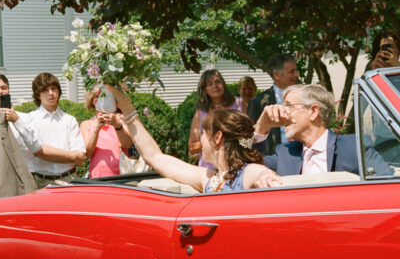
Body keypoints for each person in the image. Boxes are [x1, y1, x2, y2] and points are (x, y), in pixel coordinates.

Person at [107, 85, 280, 193]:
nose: (201, 138)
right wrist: (126, 107)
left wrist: (264, 177)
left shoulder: (247, 172)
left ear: (217, 137)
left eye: (204, 132)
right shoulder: (208, 178)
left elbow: (260, 173)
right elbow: (155, 157)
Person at [253, 83, 391, 177]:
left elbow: (388, 184)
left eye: (289, 106)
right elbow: (239, 162)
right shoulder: (285, 153)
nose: (283, 113)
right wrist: (261, 127)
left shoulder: (354, 147)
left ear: (313, 111)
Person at [16, 72, 87, 187]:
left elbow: (80, 157)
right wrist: (71, 156)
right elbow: (38, 152)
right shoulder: (30, 120)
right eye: (45, 90)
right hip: (42, 181)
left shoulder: (69, 120)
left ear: (59, 91)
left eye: (54, 89)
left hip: (70, 179)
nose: (51, 93)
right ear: (38, 94)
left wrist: (46, 152)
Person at [187, 69, 242, 167]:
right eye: (210, 84)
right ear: (205, 90)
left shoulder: (238, 105)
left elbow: (248, 138)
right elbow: (192, 147)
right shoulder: (201, 111)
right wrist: (214, 142)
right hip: (208, 168)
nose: (215, 86)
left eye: (218, 82)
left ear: (223, 85)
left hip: (235, 164)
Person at [248, 54, 301, 154]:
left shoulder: (304, 97)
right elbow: (247, 139)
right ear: (276, 75)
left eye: (296, 70)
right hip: (271, 160)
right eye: (291, 72)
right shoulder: (258, 101)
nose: (296, 75)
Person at [79, 86, 133, 178]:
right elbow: (88, 152)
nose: (101, 99)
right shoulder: (87, 124)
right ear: (91, 100)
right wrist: (96, 128)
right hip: (97, 177)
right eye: (97, 96)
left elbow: (128, 144)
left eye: (105, 96)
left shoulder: (122, 119)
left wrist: (117, 125)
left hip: (122, 176)